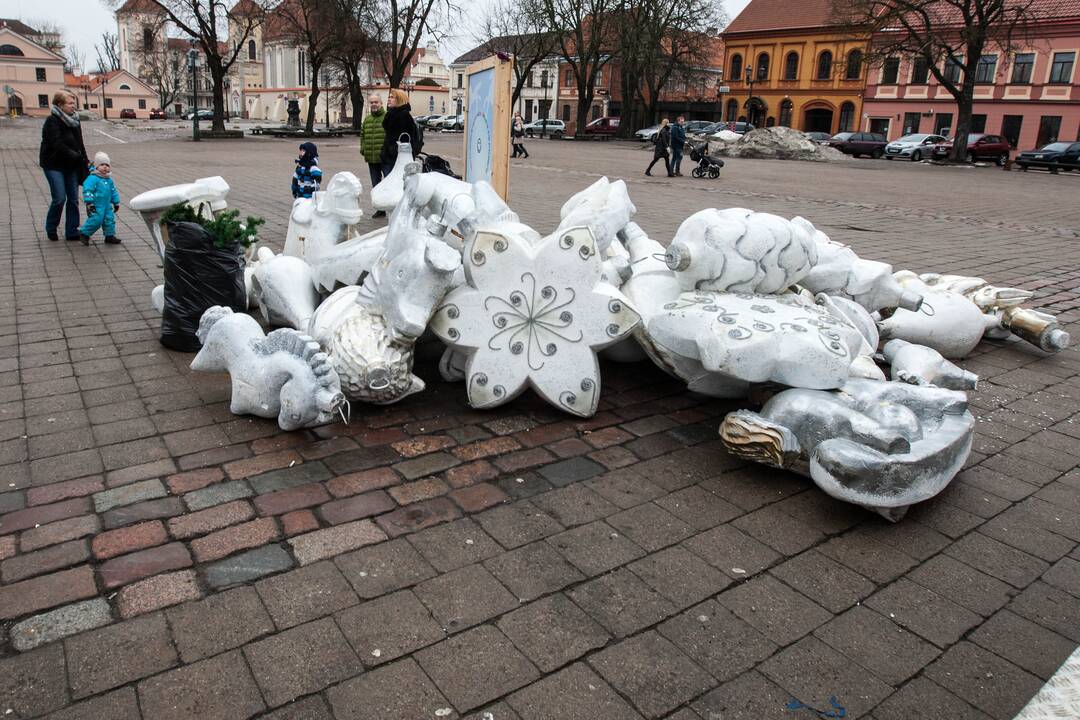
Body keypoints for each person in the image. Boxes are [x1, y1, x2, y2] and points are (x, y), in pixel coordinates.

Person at [39, 90, 90, 241]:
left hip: (72, 165)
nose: (73, 106)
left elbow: (80, 143)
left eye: (74, 103)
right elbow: (57, 144)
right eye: (70, 103)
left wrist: (85, 160)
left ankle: (72, 231)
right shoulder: (52, 121)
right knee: (60, 198)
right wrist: (74, 155)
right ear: (60, 105)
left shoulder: (75, 120)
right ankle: (51, 227)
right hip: (53, 164)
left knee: (73, 199)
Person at [78, 151, 121, 246]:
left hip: (107, 205)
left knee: (109, 219)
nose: (105, 167)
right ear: (96, 166)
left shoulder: (109, 179)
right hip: (96, 205)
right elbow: (87, 189)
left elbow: (113, 191)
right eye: (102, 164)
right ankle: (84, 233)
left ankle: (109, 235)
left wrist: (116, 202)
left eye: (107, 165)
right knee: (96, 220)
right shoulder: (92, 178)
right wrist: (89, 202)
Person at [380, 88, 422, 180]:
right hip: (390, 157)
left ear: (399, 100)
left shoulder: (404, 116)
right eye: (389, 97)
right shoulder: (391, 114)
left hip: (398, 159)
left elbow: (406, 139)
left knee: (395, 185)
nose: (389, 99)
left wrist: (392, 150)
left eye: (392, 97)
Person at [360, 94, 387, 217]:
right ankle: (380, 209)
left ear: (381, 103)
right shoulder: (367, 119)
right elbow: (363, 135)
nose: (374, 104)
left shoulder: (387, 118)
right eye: (371, 102)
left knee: (388, 184)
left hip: (385, 158)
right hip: (371, 158)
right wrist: (363, 149)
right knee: (375, 185)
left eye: (376, 102)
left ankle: (391, 208)